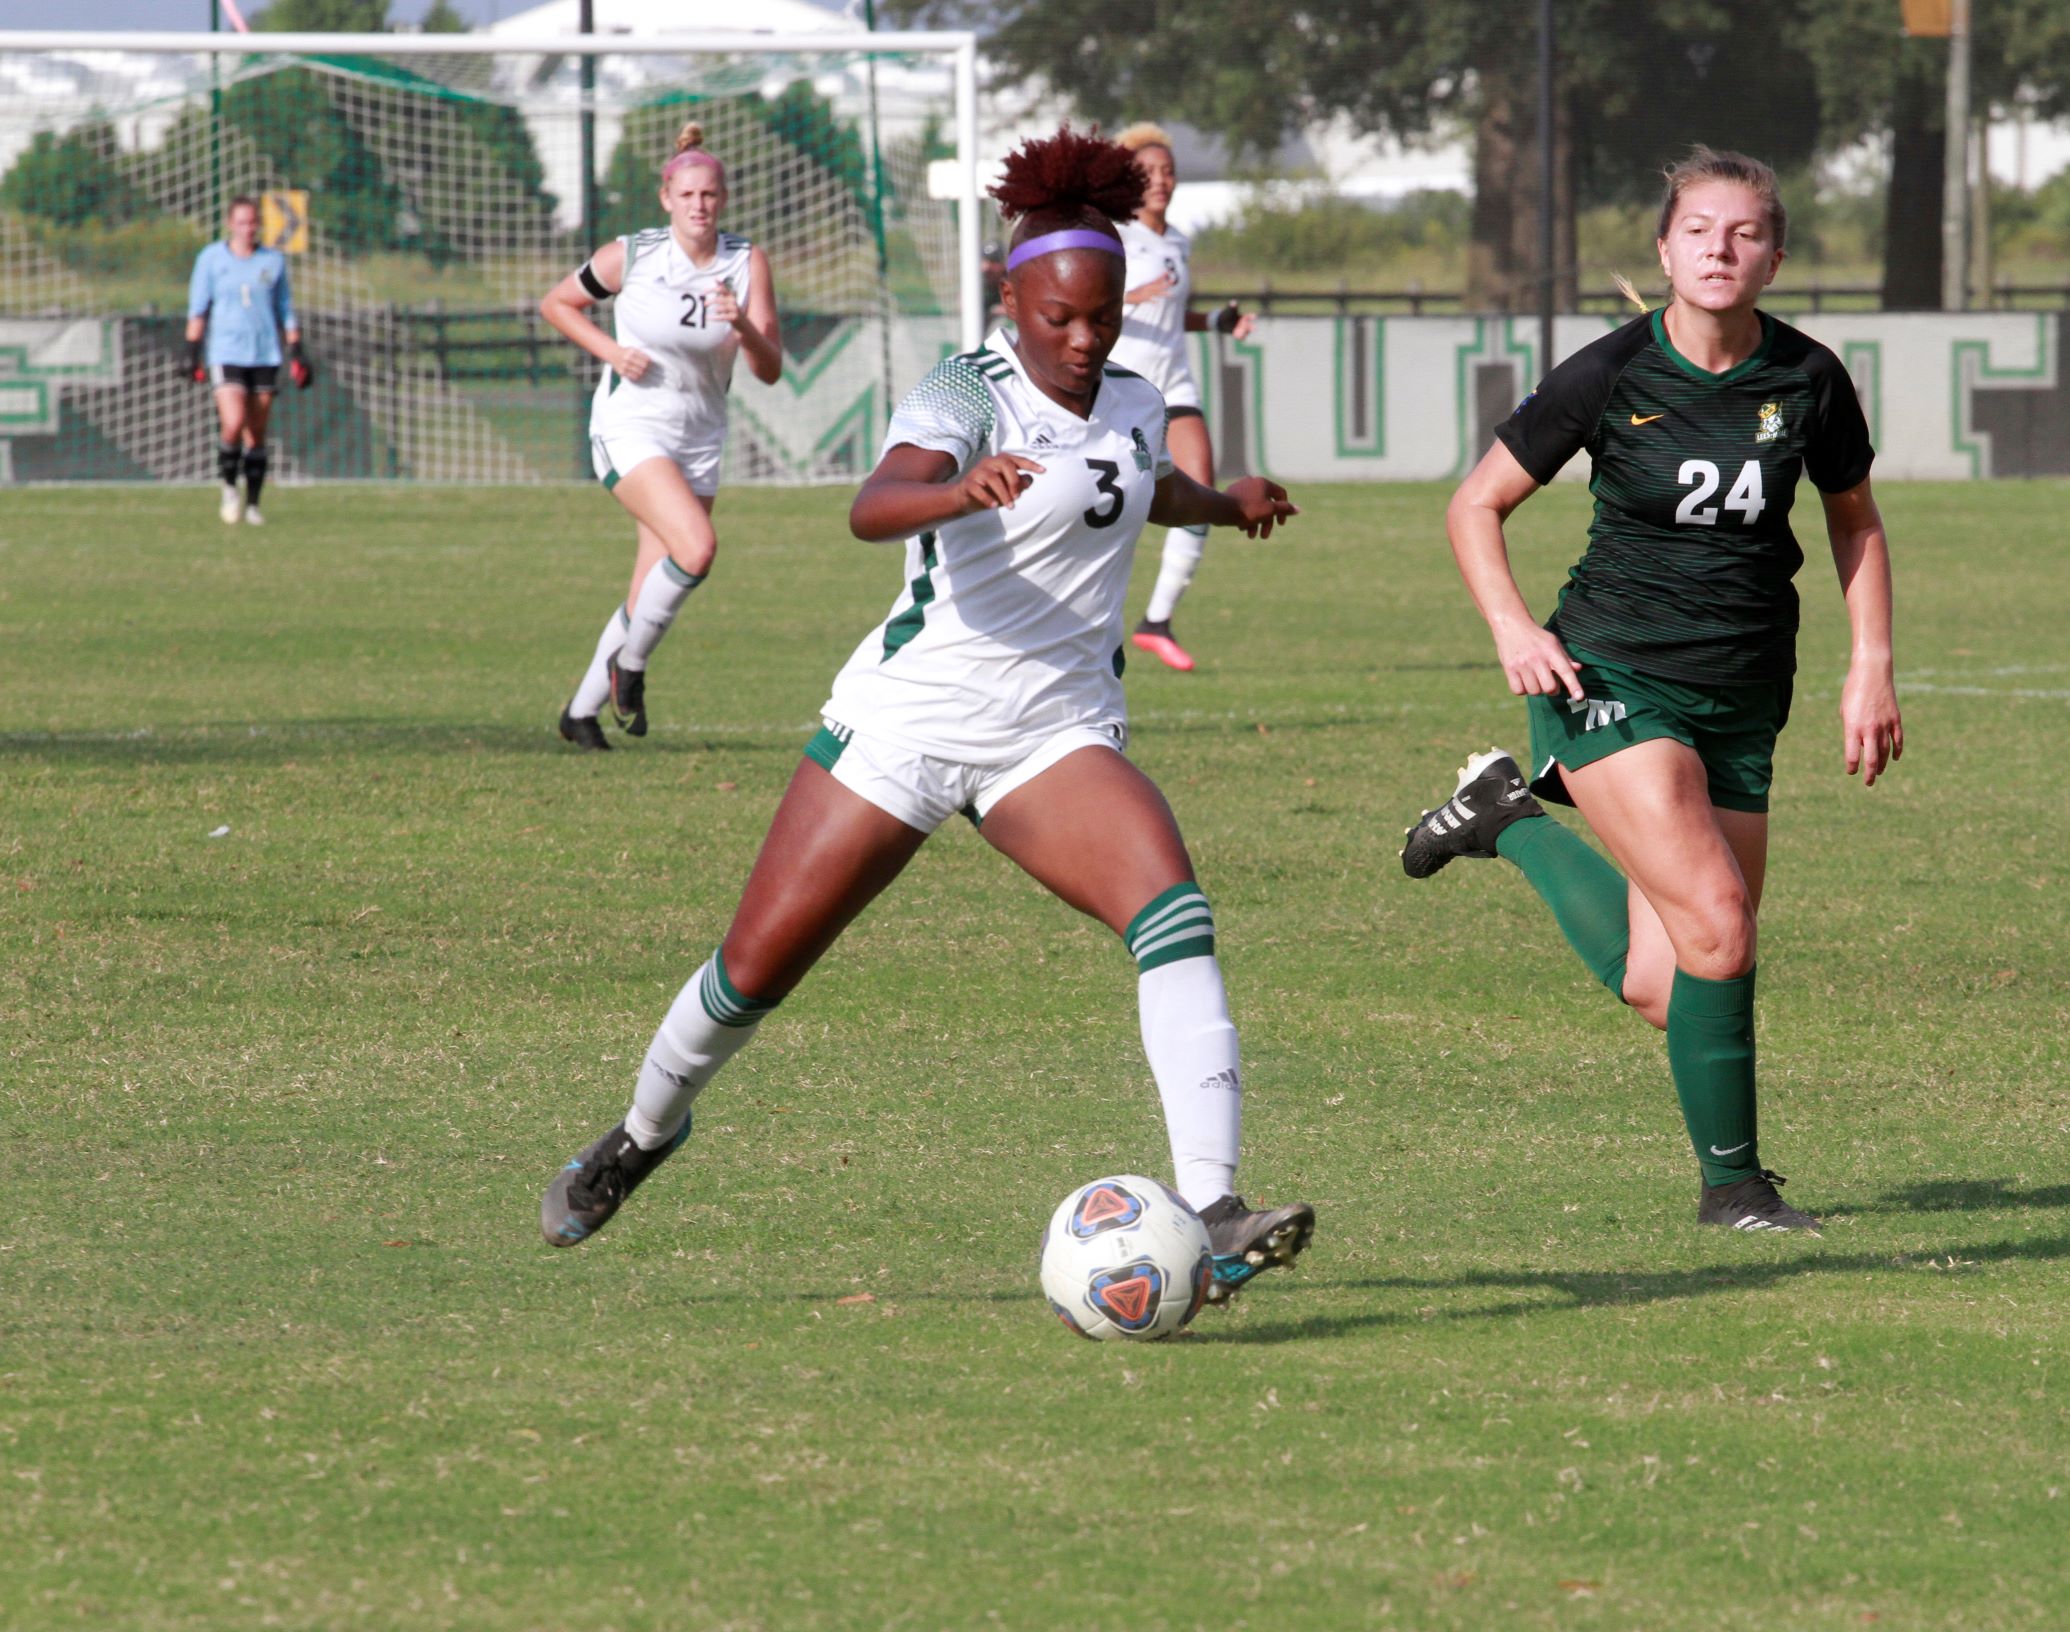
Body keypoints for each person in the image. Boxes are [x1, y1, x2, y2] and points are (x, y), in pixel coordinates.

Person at [539, 129, 1316, 1306]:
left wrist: (1227, 497)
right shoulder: (968, 386)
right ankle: (643, 1134)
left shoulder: (1133, 395)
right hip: (906, 720)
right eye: (1059, 317)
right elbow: (873, 503)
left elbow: (1137, 480)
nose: (1083, 338)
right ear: (1014, 299)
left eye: (1101, 317)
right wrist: (957, 489)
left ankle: (1210, 1208)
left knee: (1175, 916)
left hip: (1052, 732)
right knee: (753, 971)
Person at [1399, 147, 1900, 1236]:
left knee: (1670, 984)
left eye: (1745, 233)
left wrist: (1871, 665)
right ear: (1665, 249)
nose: (1721, 249)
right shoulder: (1609, 372)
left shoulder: (1809, 378)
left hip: (1744, 691)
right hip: (1608, 675)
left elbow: (1853, 520)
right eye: (1699, 231)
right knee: (1721, 929)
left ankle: (1508, 820)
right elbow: (1474, 505)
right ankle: (1736, 1191)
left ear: (1774, 253)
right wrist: (1511, 626)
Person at [539, 124, 783, 751]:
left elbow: (770, 367)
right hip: (630, 427)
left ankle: (582, 712)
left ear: (723, 198)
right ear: (666, 198)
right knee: (696, 549)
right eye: (689, 195)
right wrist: (614, 353)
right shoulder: (636, 254)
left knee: (652, 584)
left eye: (711, 195)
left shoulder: (746, 261)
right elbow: (557, 304)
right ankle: (633, 668)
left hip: (700, 436)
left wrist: (744, 328)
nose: (700, 205)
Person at [1108, 123, 1257, 673]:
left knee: (1200, 484)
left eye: (1169, 171)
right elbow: (1093, 300)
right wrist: (1133, 295)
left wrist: (1220, 321)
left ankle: (1157, 620)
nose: (1162, 181)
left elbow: (1173, 315)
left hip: (1175, 383)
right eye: (1149, 172)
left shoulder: (1177, 240)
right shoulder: (1115, 234)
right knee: (1118, 501)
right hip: (1122, 383)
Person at [184, 196, 311, 526]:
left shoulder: (273, 261)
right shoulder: (211, 259)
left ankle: (253, 505)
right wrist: (191, 352)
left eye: (253, 222)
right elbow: (199, 308)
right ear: (230, 224)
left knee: (256, 434)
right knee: (233, 422)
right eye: (241, 222)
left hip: (265, 352)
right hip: (226, 352)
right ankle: (228, 487)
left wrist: (297, 353)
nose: (248, 228)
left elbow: (285, 310)